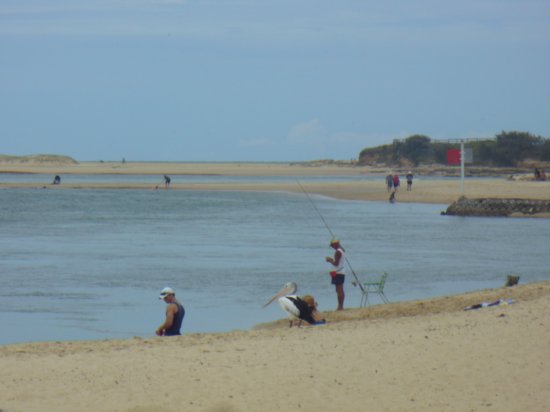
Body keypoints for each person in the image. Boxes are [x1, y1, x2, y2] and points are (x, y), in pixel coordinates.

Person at [325, 238, 346, 310]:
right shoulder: (341, 250)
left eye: (332, 245)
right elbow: (343, 250)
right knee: (340, 290)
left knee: (339, 290)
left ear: (335, 244)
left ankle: (340, 306)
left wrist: (329, 260)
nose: (332, 247)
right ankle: (341, 306)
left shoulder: (337, 252)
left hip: (338, 273)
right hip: (340, 272)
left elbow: (336, 264)